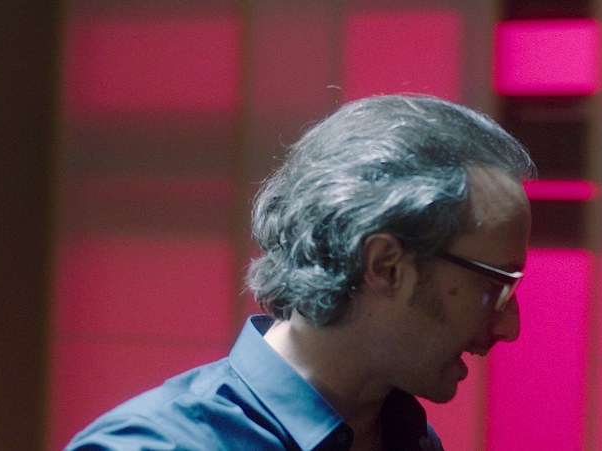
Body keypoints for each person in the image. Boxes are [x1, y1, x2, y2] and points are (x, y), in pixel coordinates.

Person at [67, 94, 535, 450]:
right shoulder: (156, 445)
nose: (510, 327)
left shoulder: (410, 440)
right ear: (385, 266)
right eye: (495, 285)